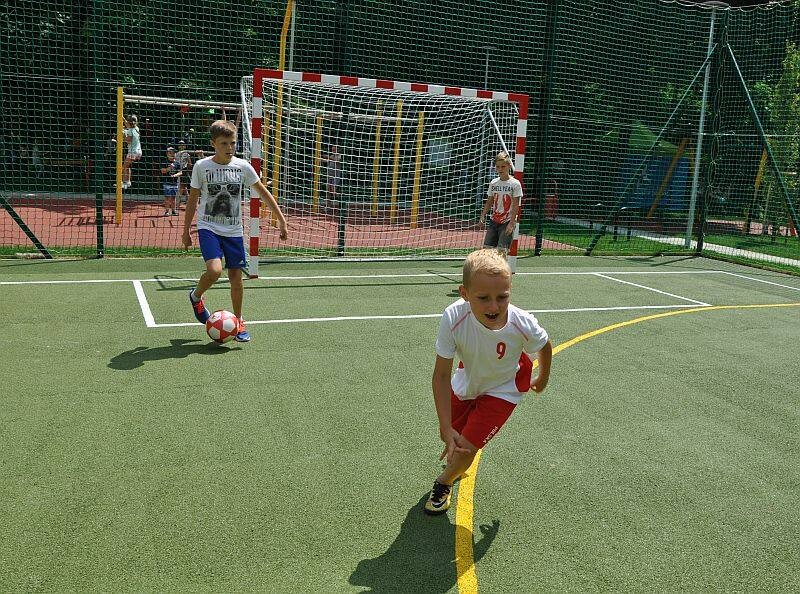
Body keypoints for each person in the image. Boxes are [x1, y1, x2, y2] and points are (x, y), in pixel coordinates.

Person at [425, 248, 552, 514]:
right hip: (468, 381)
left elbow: (544, 344)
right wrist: (445, 426)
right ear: (464, 294)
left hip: (504, 389)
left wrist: (542, 377)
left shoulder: (521, 322)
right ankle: (458, 464)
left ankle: (443, 482)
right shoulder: (453, 317)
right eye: (483, 298)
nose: (494, 306)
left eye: (502, 297)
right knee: (451, 437)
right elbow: (441, 375)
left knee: (466, 447)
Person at [182, 119, 288, 342]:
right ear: (213, 144)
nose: (230, 148)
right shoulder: (202, 167)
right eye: (224, 143)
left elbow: (263, 192)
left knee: (236, 278)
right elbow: (192, 200)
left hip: (233, 231)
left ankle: (238, 321)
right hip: (208, 227)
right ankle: (196, 296)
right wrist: (185, 231)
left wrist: (281, 219)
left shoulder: (242, 167)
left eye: (232, 143)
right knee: (214, 271)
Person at [479, 152, 523, 256]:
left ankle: (501, 272)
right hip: (494, 220)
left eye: (503, 166)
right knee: (487, 251)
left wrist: (512, 223)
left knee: (501, 252)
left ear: (508, 166)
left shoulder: (515, 184)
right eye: (498, 167)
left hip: (507, 222)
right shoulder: (494, 183)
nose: (500, 169)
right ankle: (488, 272)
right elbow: (490, 201)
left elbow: (516, 205)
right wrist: (482, 215)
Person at [121, 114, 142, 189]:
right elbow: (128, 124)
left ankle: (125, 182)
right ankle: (128, 181)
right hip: (138, 152)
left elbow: (128, 140)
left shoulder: (130, 131)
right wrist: (122, 118)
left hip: (132, 152)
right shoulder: (136, 128)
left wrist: (123, 135)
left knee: (124, 167)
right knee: (127, 166)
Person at [160, 146, 181, 216]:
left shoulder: (177, 163)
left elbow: (180, 172)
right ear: (167, 154)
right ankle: (167, 211)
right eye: (170, 153)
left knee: (173, 197)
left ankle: (173, 211)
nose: (172, 154)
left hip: (174, 183)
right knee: (167, 197)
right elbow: (162, 171)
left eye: (173, 153)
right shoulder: (164, 162)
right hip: (166, 182)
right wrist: (169, 168)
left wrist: (176, 175)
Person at [175, 139, 193, 207]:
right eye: (180, 145)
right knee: (183, 186)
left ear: (185, 146)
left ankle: (178, 202)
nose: (181, 146)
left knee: (182, 186)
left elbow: (190, 163)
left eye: (183, 145)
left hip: (184, 171)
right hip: (178, 170)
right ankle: (188, 200)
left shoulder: (186, 154)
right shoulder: (176, 154)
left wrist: (187, 169)